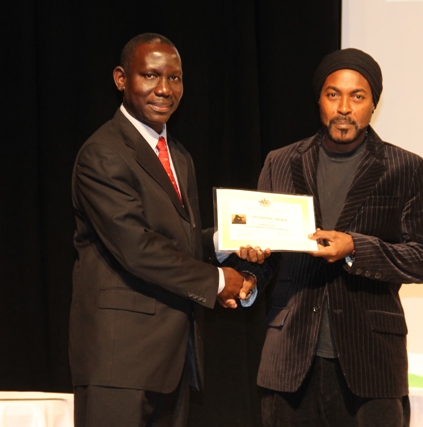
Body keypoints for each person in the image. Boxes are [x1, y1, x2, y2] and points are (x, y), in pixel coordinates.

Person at [70, 33, 269, 427]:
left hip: (172, 359)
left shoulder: (177, 154)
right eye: (150, 75)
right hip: (119, 363)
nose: (164, 89)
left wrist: (226, 241)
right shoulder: (102, 153)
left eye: (175, 78)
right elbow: (136, 248)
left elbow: (178, 241)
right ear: (121, 78)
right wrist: (216, 282)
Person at [254, 48, 423, 426]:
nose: (344, 107)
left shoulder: (406, 169)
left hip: (371, 364)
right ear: (320, 100)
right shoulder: (280, 162)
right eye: (333, 94)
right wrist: (250, 269)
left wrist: (355, 248)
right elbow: (270, 252)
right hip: (290, 361)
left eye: (357, 96)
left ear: (373, 103)